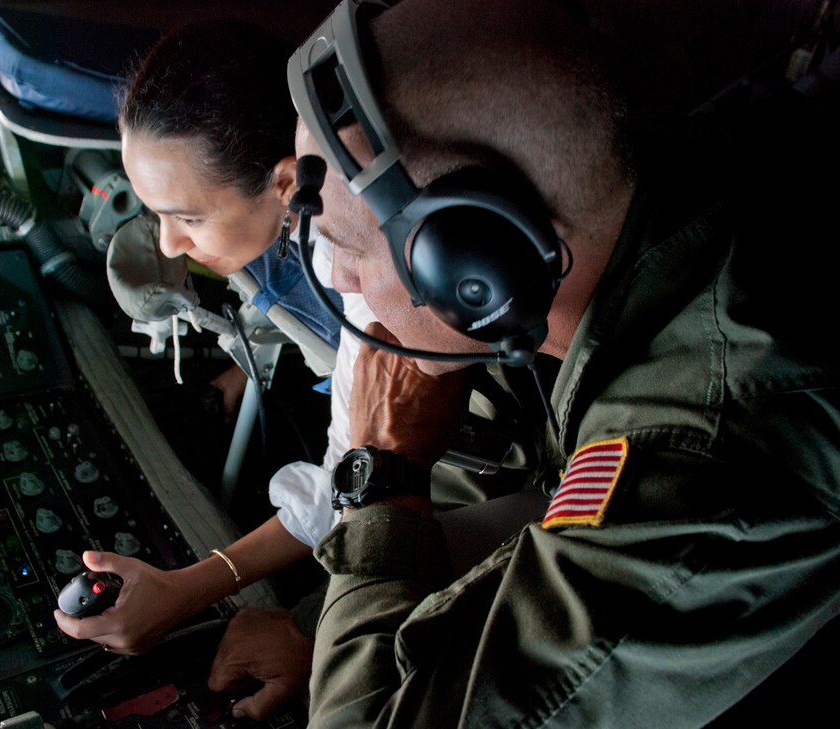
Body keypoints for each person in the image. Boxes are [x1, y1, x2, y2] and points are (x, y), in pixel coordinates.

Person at [289, 0, 840, 726]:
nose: (339, 281)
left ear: (476, 261)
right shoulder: (652, 196)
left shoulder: (704, 455)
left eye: (349, 250)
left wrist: (382, 475)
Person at [55, 16, 539, 722]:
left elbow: (354, 479)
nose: (168, 241)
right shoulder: (305, 218)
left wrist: (194, 586)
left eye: (185, 216)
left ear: (288, 182)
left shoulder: (366, 276)